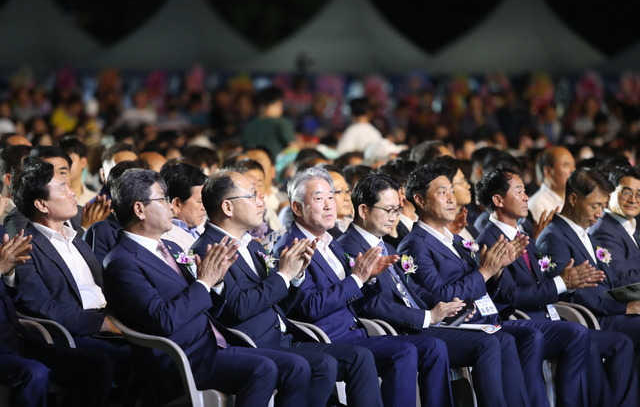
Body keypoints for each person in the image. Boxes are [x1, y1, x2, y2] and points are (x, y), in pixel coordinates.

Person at [103, 169, 308, 406]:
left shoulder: (171, 247)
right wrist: (204, 282)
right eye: (163, 199)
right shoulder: (121, 262)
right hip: (181, 358)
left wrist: (218, 283)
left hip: (215, 344)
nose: (171, 207)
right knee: (262, 369)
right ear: (140, 209)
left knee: (296, 366)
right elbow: (163, 320)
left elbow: (210, 304)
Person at [398, 163, 591, 407]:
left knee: (528, 335)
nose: (451, 198)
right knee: (499, 340)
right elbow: (439, 296)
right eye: (441, 192)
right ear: (420, 200)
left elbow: (488, 289)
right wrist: (485, 271)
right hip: (456, 326)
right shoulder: (415, 244)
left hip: (488, 318)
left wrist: (497, 272)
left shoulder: (456, 240)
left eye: (450, 191)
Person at [191, 169, 383, 407]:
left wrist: (295, 278)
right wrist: (283, 275)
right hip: (252, 344)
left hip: (284, 336)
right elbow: (237, 309)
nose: (260, 201)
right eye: (251, 196)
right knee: (316, 365)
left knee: (342, 360)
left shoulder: (251, 245)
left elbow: (281, 302)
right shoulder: (207, 250)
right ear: (228, 208)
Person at [338, 173, 529, 407]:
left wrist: (446, 307)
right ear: (364, 210)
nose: (393, 218)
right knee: (487, 343)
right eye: (388, 210)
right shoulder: (348, 247)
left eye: (397, 210)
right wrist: (427, 316)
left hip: (423, 321)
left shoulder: (385, 244)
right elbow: (370, 304)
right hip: (397, 329)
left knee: (503, 339)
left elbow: (411, 289)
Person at [274, 167, 454, 407]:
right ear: (297, 208)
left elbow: (356, 296)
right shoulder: (293, 247)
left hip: (358, 332)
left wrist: (369, 280)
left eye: (331, 197)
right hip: (328, 340)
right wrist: (357, 279)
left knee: (420, 348)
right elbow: (309, 307)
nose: (329, 205)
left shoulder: (330, 243)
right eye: (319, 199)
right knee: (403, 352)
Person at [476, 167, 638, 407]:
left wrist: (561, 281)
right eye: (519, 191)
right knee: (581, 336)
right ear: (498, 200)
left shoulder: (521, 237)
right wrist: (563, 282)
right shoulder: (490, 241)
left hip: (552, 317)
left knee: (604, 342)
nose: (526, 197)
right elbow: (510, 297)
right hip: (527, 321)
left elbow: (543, 282)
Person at [8, 160, 133, 400]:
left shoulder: (75, 238)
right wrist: (102, 324)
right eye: (63, 188)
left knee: (160, 348)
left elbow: (100, 288)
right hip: (73, 334)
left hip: (109, 322)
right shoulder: (27, 248)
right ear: (42, 204)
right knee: (132, 357)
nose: (72, 191)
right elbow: (42, 307)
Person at [0, 230, 113, 407]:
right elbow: (36, 304)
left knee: (99, 363)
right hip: (9, 345)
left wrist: (8, 273)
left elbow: (11, 298)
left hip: (16, 338)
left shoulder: (2, 236)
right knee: (35, 373)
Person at [537, 168, 640, 351]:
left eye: (603, 206)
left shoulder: (587, 236)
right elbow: (574, 294)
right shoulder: (552, 238)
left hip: (608, 311)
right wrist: (624, 308)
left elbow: (610, 280)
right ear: (573, 199)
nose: (600, 214)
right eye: (595, 206)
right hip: (591, 319)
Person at [589, 166, 640, 281]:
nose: (633, 200)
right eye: (626, 192)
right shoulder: (603, 230)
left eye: (639, 195)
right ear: (609, 193)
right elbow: (622, 278)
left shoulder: (630, 227)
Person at [159, 163, 207, 253]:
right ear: (177, 204)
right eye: (200, 202)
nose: (204, 207)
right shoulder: (164, 239)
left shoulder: (205, 225)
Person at [242, 86, 297, 157]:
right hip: (275, 166)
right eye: (280, 105)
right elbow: (293, 148)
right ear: (275, 103)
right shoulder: (281, 123)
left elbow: (242, 148)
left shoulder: (249, 125)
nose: (282, 109)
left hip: (253, 165)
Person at [528, 147, 575, 223]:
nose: (573, 170)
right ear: (548, 171)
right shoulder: (538, 205)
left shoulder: (572, 198)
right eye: (566, 165)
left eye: (573, 165)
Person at [58, 135, 98, 206]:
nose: (64, 165)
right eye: (61, 159)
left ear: (83, 162)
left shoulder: (95, 199)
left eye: (69, 159)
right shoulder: (55, 198)